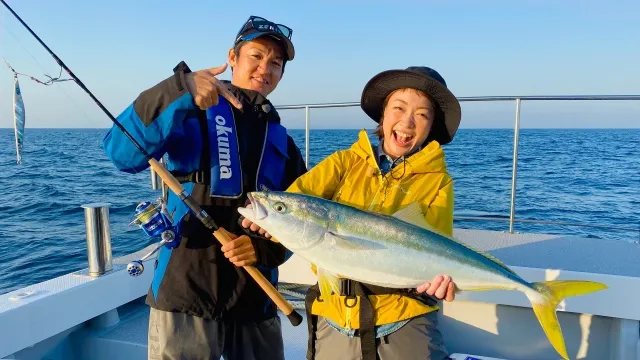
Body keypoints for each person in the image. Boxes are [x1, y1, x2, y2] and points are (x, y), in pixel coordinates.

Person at [102, 15, 307, 360]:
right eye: (256, 55)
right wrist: (180, 88)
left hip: (257, 296)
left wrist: (265, 252)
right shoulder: (190, 112)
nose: (265, 68)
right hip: (186, 288)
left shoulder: (284, 143)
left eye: (276, 63)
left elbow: (302, 221)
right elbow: (122, 153)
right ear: (232, 58)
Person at [242, 66, 462, 359]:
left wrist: (440, 281)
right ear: (383, 115)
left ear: (431, 126)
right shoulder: (345, 162)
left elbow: (437, 248)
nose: (407, 121)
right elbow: (295, 203)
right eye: (399, 108)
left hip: (405, 315)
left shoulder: (438, 182)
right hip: (334, 314)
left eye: (422, 114)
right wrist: (267, 221)